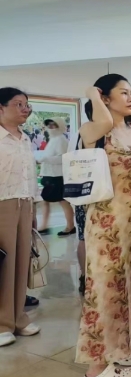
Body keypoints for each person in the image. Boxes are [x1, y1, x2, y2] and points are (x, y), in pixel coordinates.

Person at [76, 74, 131, 377]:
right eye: (123, 93)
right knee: (103, 289)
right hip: (104, 223)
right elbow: (104, 121)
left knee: (125, 288)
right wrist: (91, 92)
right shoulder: (94, 129)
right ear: (105, 97)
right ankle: (97, 366)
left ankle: (120, 349)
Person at [0, 87, 41, 348]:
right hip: (2, 203)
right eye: (18, 104)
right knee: (3, 265)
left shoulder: (25, 138)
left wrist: (33, 206)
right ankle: (2, 323)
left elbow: (29, 176)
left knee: (21, 263)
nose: (25, 109)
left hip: (24, 203)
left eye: (27, 104)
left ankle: (17, 318)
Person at [36, 117, 76, 236]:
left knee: (62, 201)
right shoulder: (53, 139)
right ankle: (44, 226)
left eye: (54, 125)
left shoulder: (60, 139)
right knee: (46, 200)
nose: (51, 127)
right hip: (50, 175)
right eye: (49, 125)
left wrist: (44, 159)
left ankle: (70, 226)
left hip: (57, 176)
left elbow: (62, 158)